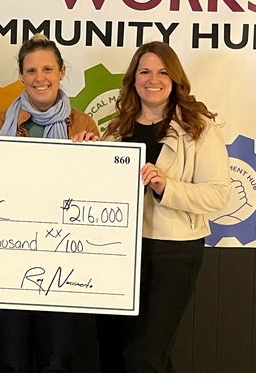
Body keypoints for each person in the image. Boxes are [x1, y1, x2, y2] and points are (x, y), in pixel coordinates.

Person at [79, 41, 230, 372]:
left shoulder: (199, 128)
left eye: (163, 72)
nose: (153, 79)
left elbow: (220, 195)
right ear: (133, 78)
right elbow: (102, 191)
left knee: (144, 355)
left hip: (171, 254)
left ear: (175, 78)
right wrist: (89, 156)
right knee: (115, 351)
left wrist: (167, 187)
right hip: (118, 252)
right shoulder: (118, 128)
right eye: (145, 71)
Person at [0, 34, 99, 373]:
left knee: (57, 359)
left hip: (62, 258)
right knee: (11, 359)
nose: (40, 77)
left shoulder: (83, 125)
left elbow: (96, 193)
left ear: (62, 71)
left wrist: (89, 159)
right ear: (21, 76)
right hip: (9, 254)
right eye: (31, 70)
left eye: (48, 68)